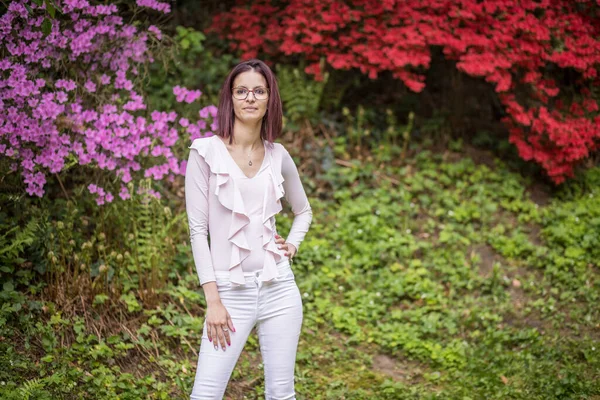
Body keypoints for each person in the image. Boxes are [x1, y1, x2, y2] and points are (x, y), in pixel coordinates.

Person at [185, 59, 313, 400]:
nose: (250, 98)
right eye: (241, 91)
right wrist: (213, 300)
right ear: (230, 98)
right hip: (229, 293)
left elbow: (303, 211)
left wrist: (293, 245)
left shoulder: (279, 155)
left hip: (280, 289)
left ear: (270, 98)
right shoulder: (205, 152)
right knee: (206, 394)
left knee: (282, 394)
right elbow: (198, 231)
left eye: (259, 90)